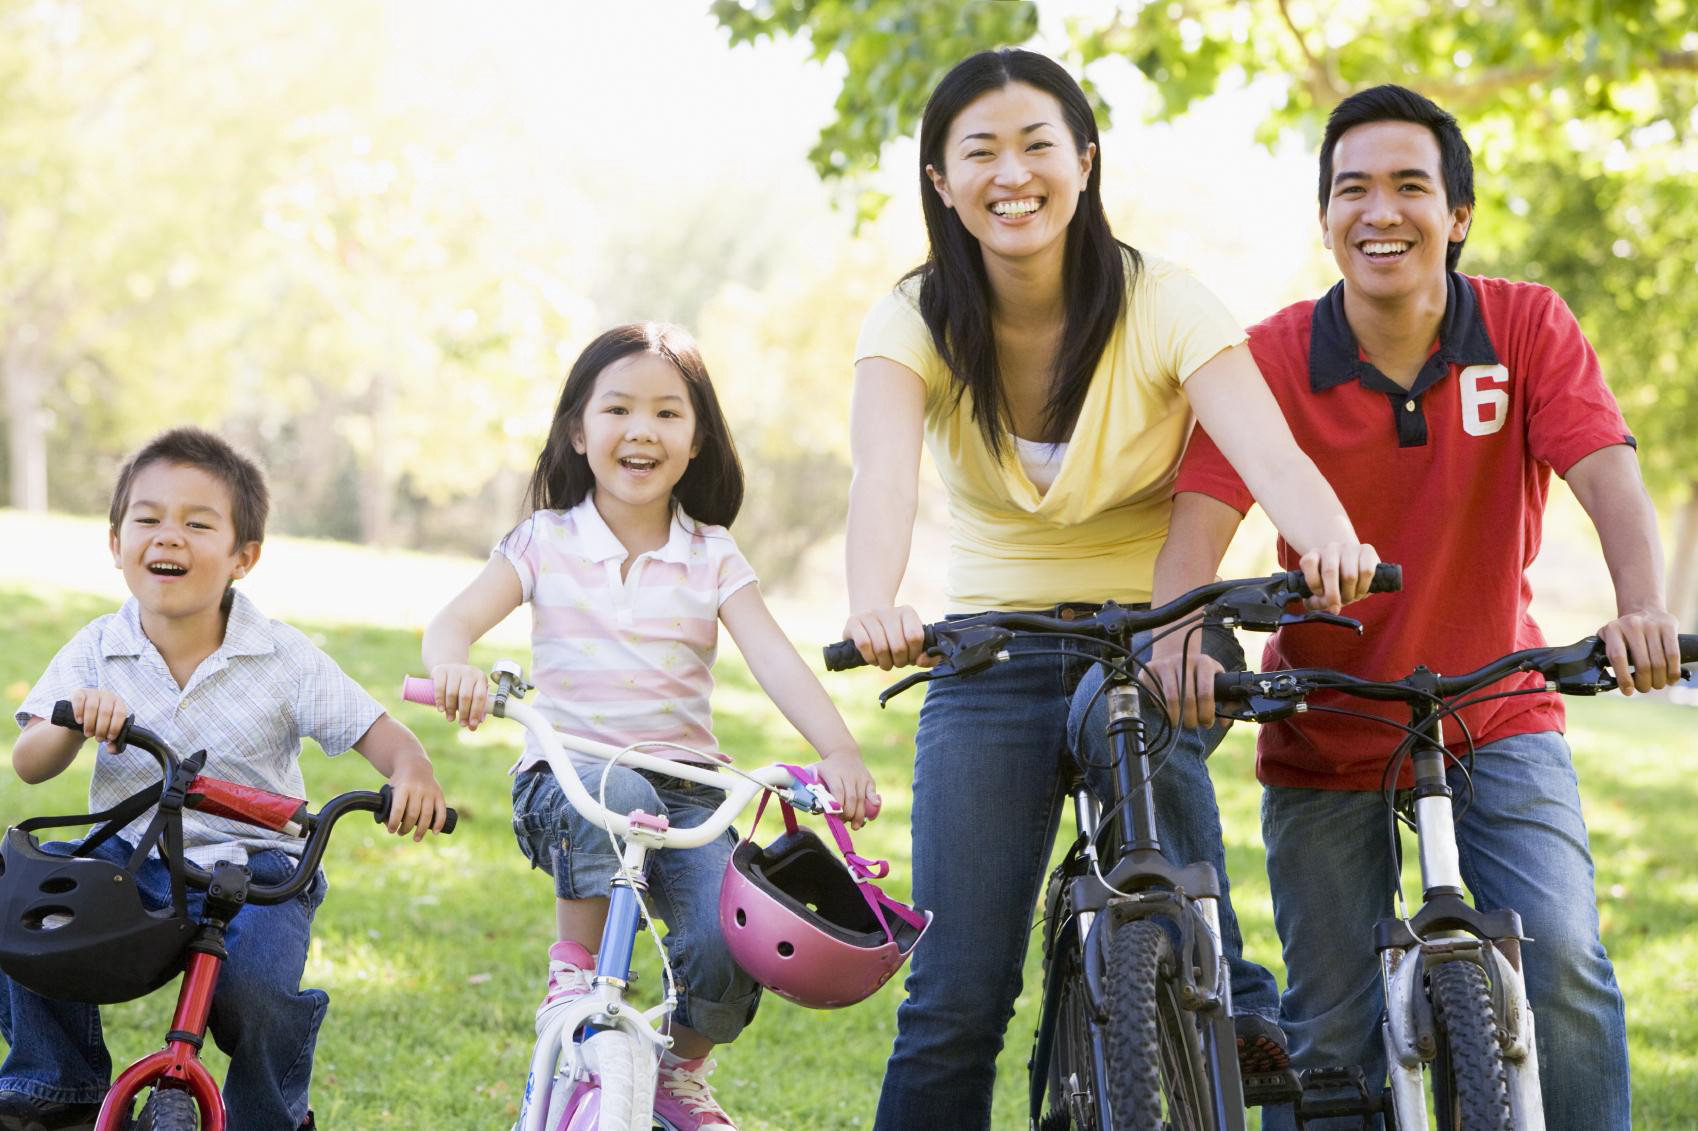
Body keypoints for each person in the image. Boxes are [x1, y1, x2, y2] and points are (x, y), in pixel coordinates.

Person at [841, 48, 1378, 1129]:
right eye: (979, 152)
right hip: (986, 654)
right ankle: (1228, 988)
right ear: (941, 182)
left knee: (1133, 707)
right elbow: (882, 483)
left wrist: (1329, 538)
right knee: (954, 1000)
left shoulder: (1163, 299)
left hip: (1155, 634)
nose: (1013, 173)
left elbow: (1272, 459)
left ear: (1084, 163)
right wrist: (874, 600)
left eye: (1038, 145)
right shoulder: (913, 320)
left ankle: (1221, 992)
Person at [1172, 85, 1679, 1131]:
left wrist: (1643, 610)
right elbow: (1197, 526)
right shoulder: (1270, 359)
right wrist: (1178, 634)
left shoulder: (1527, 325)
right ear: (1325, 220)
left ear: (1459, 214)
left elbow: (1609, 476)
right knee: (1330, 1037)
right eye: (1352, 189)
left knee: (1565, 964)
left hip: (1496, 709)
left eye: (1411, 186)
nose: (1380, 211)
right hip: (1323, 727)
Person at [422, 321, 876, 1131]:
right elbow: (451, 624)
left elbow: (773, 657)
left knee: (732, 937)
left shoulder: (712, 554)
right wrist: (455, 664)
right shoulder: (545, 540)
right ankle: (573, 969)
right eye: (618, 409)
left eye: (668, 413)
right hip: (569, 775)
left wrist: (836, 749)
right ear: (578, 429)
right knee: (618, 787)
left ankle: (678, 1067)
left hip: (692, 787)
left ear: (697, 438)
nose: (641, 429)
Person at [0, 427, 449, 1131]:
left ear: (245, 556)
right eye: (147, 519)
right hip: (134, 856)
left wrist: (413, 771)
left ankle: (269, 1115)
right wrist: (73, 722)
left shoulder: (281, 655)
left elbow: (381, 733)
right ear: (116, 544)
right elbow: (30, 762)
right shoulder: (97, 648)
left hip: (258, 865)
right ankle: (55, 1081)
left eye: (197, 523)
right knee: (25, 902)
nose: (168, 536)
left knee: (259, 990)